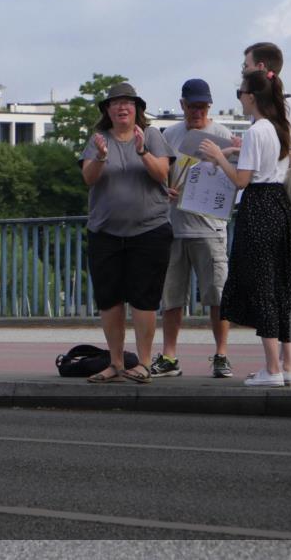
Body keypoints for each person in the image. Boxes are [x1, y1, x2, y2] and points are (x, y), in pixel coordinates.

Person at [199, 71, 291, 386]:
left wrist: (220, 156)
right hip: (281, 207)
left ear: (252, 97)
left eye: (240, 92)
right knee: (286, 284)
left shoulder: (256, 131)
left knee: (262, 285)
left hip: (258, 207)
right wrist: (236, 152)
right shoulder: (281, 128)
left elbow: (242, 181)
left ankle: (272, 368)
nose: (239, 97)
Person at [80, 82, 174, 384]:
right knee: (109, 300)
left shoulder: (152, 136)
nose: (122, 108)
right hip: (105, 232)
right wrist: (102, 156)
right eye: (116, 103)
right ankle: (116, 363)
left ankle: (144, 363)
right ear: (107, 110)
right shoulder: (97, 140)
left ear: (137, 109)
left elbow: (162, 173)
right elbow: (88, 178)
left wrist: (142, 151)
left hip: (149, 230)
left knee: (144, 299)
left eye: (128, 103)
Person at [152, 79, 235, 379]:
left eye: (202, 106)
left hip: (210, 229)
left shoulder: (224, 135)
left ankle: (222, 354)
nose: (197, 112)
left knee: (218, 295)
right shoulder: (169, 134)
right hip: (173, 226)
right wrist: (164, 189)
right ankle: (170, 356)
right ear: (182, 105)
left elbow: (237, 180)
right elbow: (159, 175)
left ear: (209, 106)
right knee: (172, 297)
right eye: (192, 106)